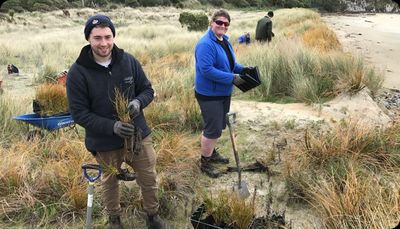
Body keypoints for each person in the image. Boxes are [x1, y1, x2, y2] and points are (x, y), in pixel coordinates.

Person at [66, 14, 172, 229]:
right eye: (97, 38)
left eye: (107, 36)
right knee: (110, 181)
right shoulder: (78, 72)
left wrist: (138, 102)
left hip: (137, 135)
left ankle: (152, 216)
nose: (103, 43)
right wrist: (112, 126)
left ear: (113, 36)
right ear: (88, 38)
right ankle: (114, 219)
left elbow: (147, 90)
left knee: (148, 176)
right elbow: (79, 113)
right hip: (104, 141)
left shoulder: (128, 61)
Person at [194, 9, 252, 178]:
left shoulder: (224, 40)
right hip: (209, 95)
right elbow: (206, 71)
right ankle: (205, 162)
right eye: (219, 22)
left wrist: (243, 69)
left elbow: (230, 64)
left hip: (223, 92)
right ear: (212, 23)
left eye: (226, 24)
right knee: (212, 130)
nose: (223, 26)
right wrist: (232, 78)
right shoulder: (206, 44)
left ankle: (211, 153)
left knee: (218, 126)